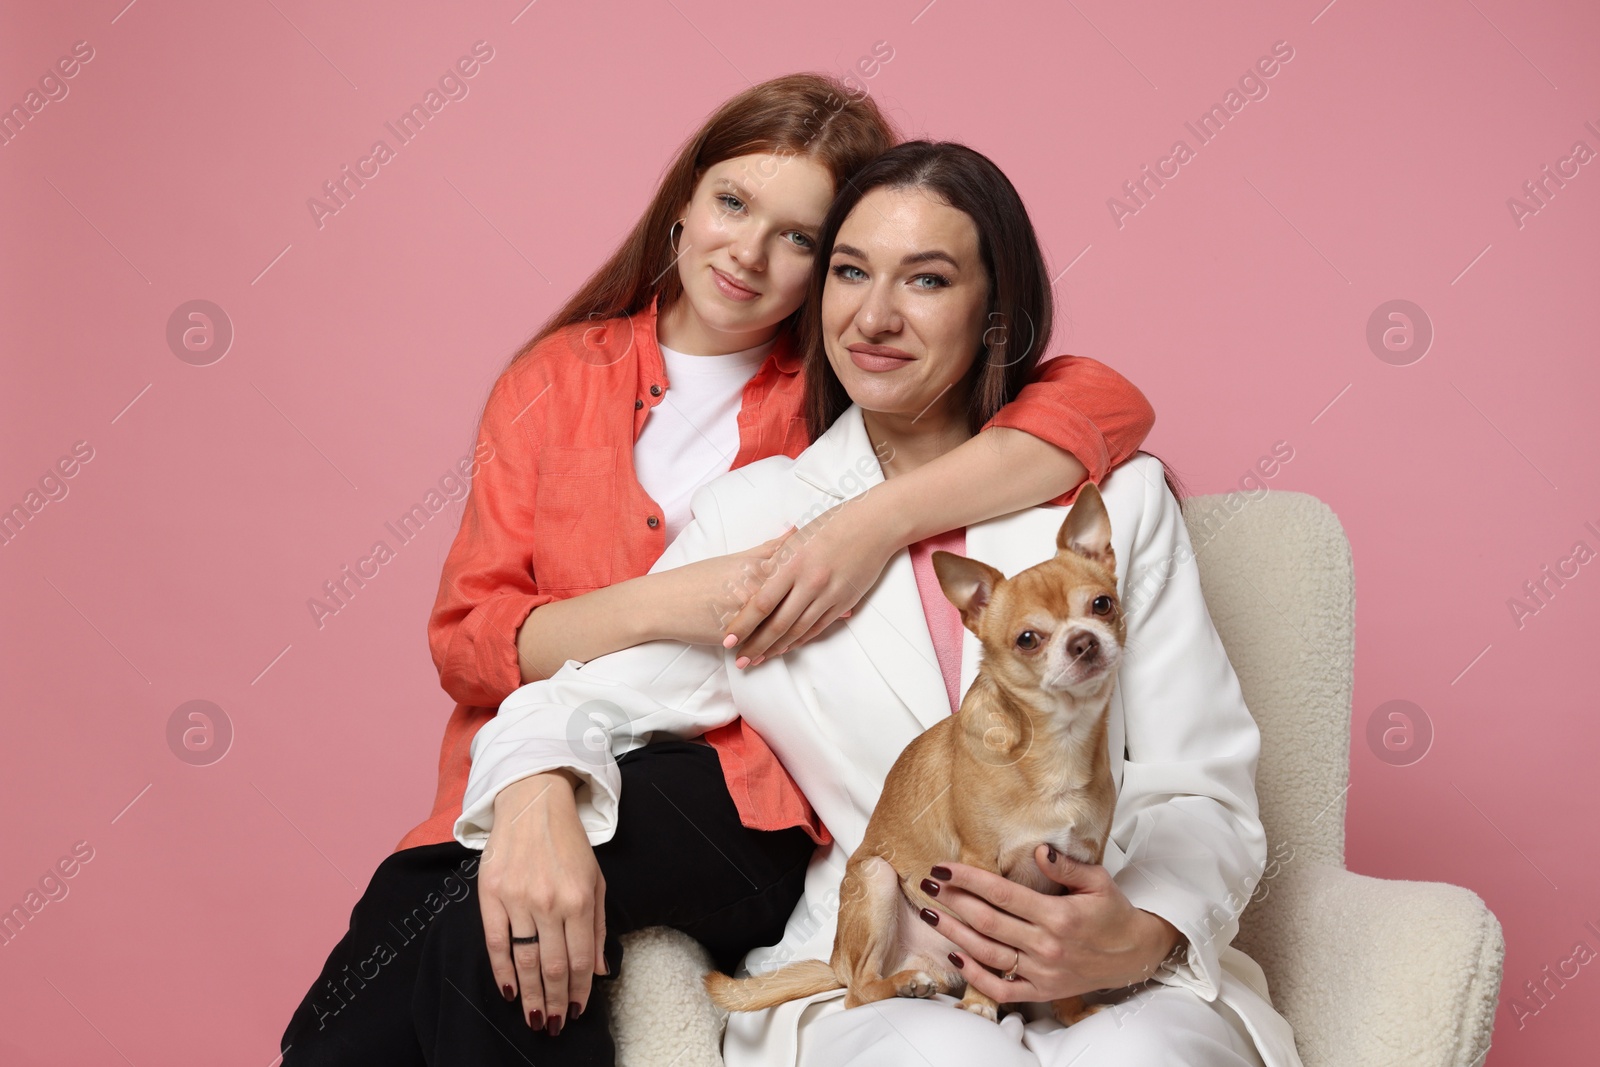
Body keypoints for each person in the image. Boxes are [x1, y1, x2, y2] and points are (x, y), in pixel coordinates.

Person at [279, 75, 1155, 1065]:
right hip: (529, 751)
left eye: (799, 239)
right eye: (734, 203)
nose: (747, 252)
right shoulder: (553, 379)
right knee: (337, 1030)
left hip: (738, 788)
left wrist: (867, 525)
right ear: (684, 199)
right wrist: (659, 617)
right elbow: (471, 642)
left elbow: (1101, 401)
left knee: (496, 943)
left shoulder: (845, 389)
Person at [456, 140, 1305, 1067]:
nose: (875, 315)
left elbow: (1202, 781)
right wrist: (537, 788)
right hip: (903, 963)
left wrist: (1140, 931)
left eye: (928, 280)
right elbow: (576, 698)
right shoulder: (757, 516)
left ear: (994, 313)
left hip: (1114, 965)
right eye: (850, 272)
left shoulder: (1118, 501)